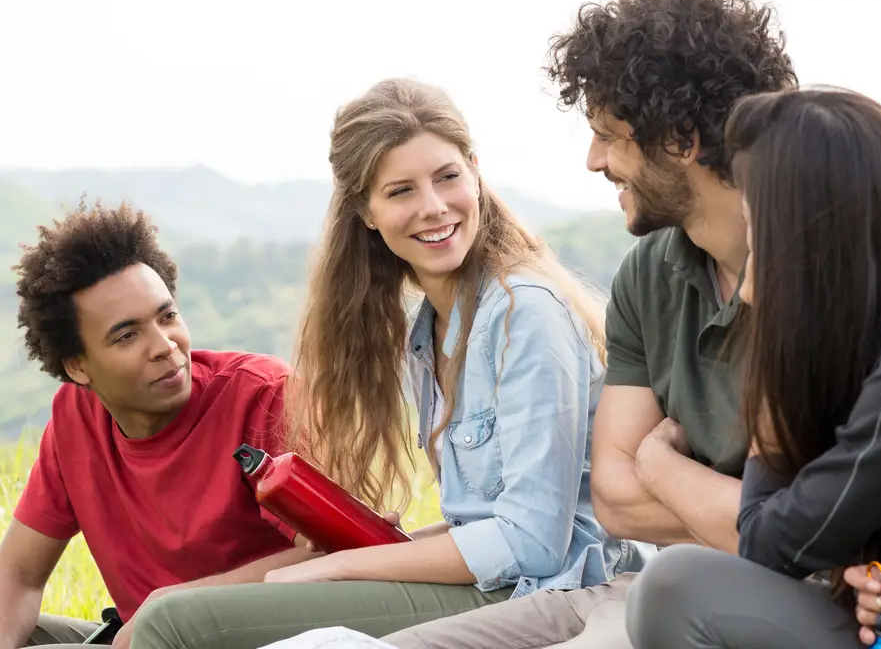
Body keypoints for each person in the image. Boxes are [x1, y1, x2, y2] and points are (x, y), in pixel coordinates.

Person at [129, 77, 649, 649]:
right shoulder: (428, 334)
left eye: (448, 177)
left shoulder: (524, 314)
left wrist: (339, 568)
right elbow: (479, 525)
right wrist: (362, 551)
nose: (433, 207)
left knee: (174, 624)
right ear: (366, 212)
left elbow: (531, 542)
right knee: (191, 610)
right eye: (401, 190)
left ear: (476, 172)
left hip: (557, 588)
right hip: (501, 582)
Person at [376, 0, 800, 647]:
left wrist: (661, 468)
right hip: (654, 585)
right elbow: (616, 499)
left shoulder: (811, 272)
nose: (593, 160)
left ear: (682, 140)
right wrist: (712, 508)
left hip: (761, 596)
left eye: (606, 136)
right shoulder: (646, 277)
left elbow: (796, 530)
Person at [625, 88, 881, 649]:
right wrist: (876, 575)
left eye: (760, 234)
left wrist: (654, 463)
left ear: (810, 238)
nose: (752, 271)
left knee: (675, 587)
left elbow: (768, 537)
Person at [0, 203, 315, 649]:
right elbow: (18, 574)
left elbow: (328, 555)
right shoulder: (76, 416)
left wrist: (172, 606)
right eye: (127, 335)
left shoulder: (262, 396)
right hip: (140, 637)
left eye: (167, 317)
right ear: (78, 367)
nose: (165, 346)